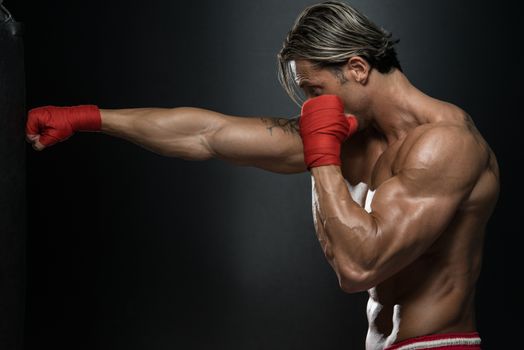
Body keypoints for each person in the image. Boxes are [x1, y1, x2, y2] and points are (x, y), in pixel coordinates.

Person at [25, 1, 499, 349]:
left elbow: (360, 268)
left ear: (357, 68)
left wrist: (322, 155)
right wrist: (88, 118)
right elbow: (209, 134)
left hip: (436, 345)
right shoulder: (354, 135)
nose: (309, 107)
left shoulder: (445, 144)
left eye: (315, 90)